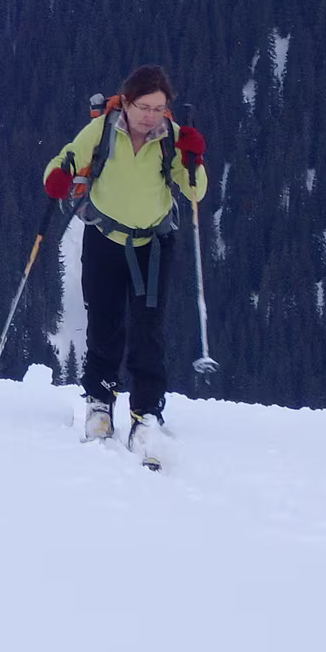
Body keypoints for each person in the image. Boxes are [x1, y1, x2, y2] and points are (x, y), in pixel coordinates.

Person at [42, 64, 206, 461]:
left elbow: (195, 192)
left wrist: (194, 159)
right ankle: (100, 401)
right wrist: (58, 176)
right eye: (143, 107)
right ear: (127, 102)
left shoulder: (172, 138)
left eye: (158, 108)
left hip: (153, 246)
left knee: (148, 330)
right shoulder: (102, 130)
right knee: (104, 322)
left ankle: (145, 412)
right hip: (104, 239)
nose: (151, 116)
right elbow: (64, 159)